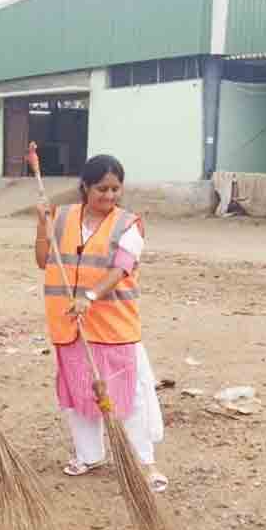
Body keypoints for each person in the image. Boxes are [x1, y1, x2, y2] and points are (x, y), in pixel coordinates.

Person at [35, 154, 167, 492]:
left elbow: (120, 269)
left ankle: (144, 462)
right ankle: (88, 454)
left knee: (129, 395)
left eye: (115, 189)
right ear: (84, 187)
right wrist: (41, 225)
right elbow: (42, 260)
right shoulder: (62, 217)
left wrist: (89, 298)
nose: (109, 197)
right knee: (77, 390)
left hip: (113, 326)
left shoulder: (129, 224)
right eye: (101, 189)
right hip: (69, 323)